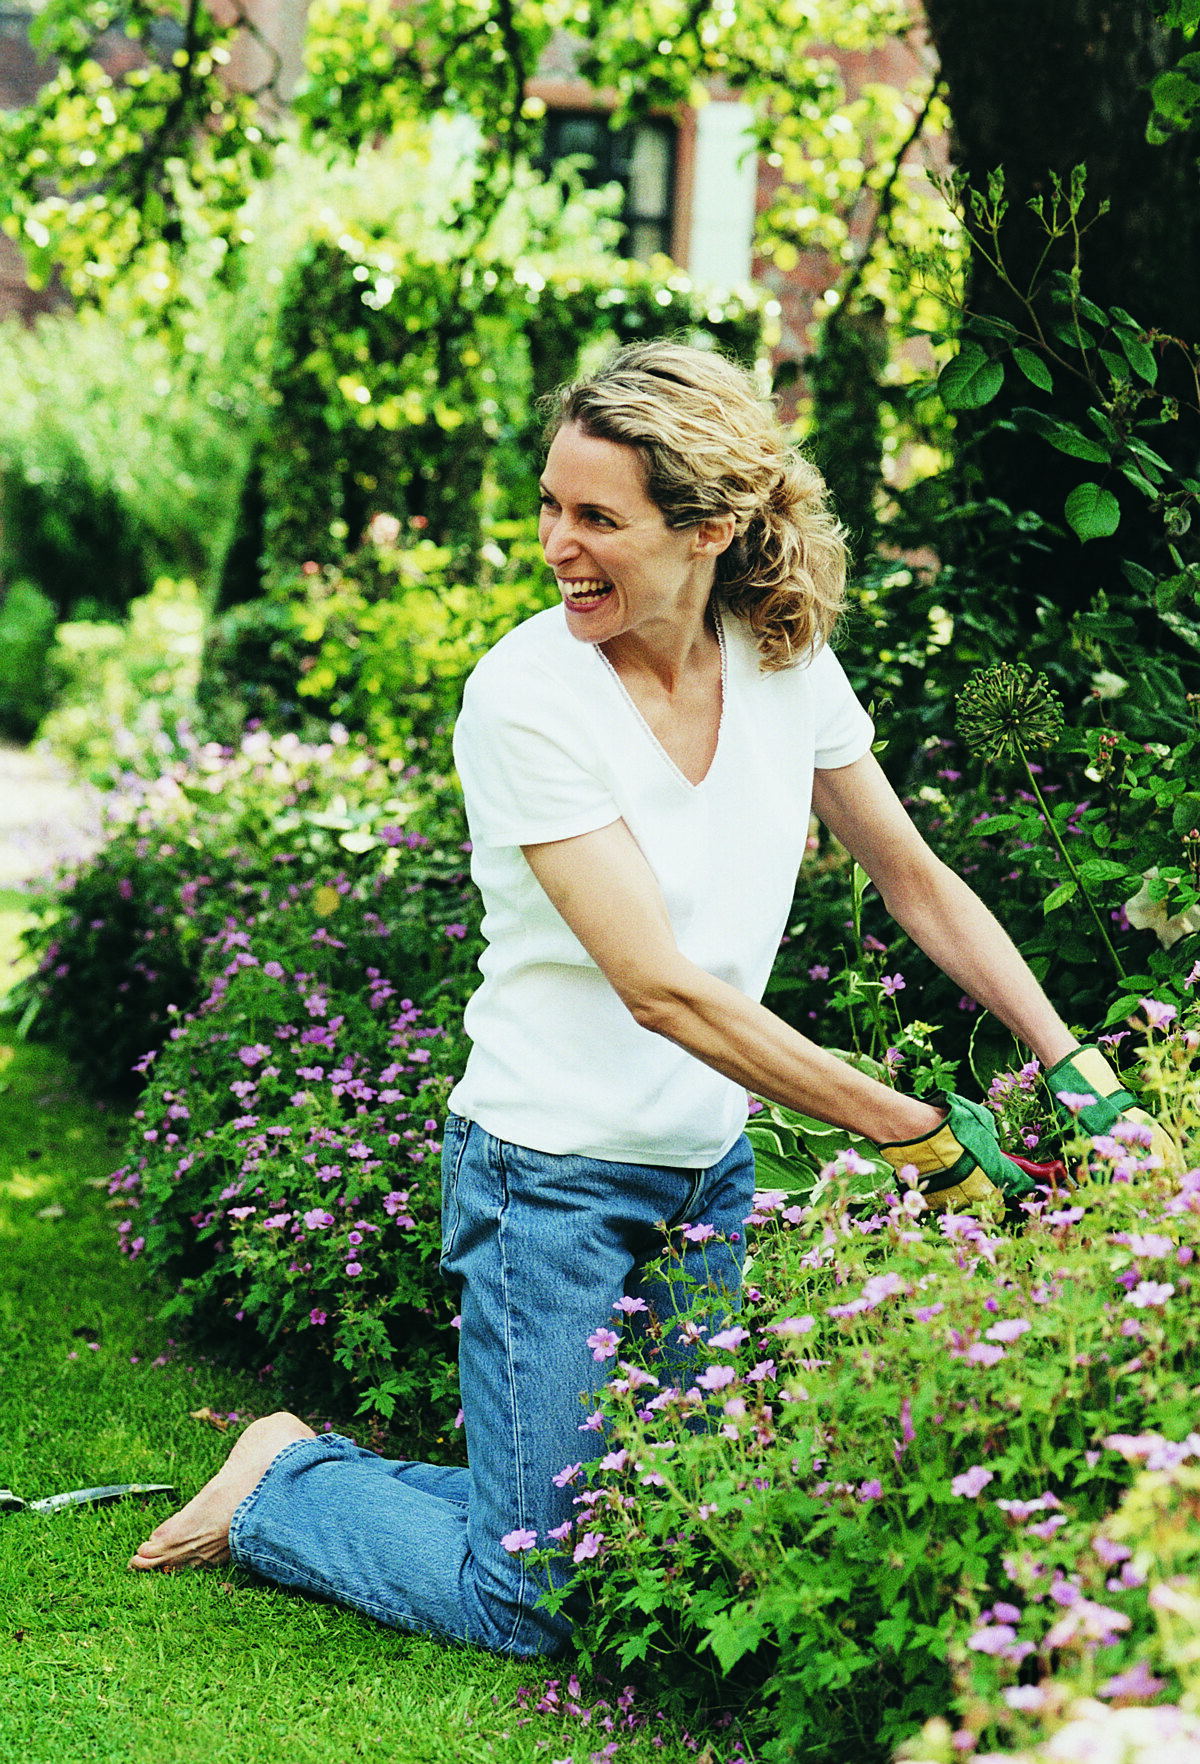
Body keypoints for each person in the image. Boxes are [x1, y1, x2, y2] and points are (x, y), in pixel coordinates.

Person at [128, 339, 1170, 1652]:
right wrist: (901, 1122)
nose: (558, 543)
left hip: (702, 1170)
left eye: (597, 517)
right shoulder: (527, 694)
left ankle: (320, 1465)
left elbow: (915, 876)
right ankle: (289, 1485)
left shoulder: (783, 658)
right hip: (543, 1180)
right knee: (540, 1599)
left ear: (708, 532)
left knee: (668, 1524)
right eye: (552, 506)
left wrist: (1073, 1062)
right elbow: (660, 986)